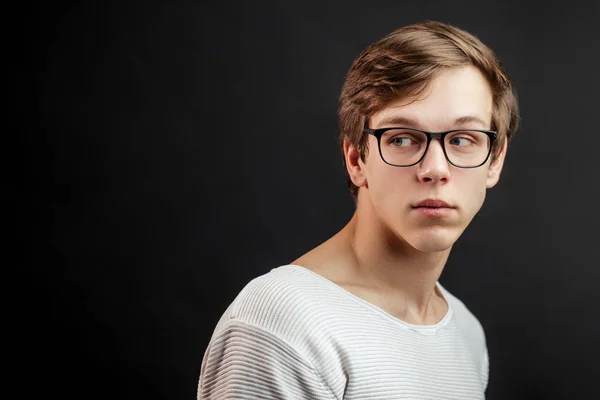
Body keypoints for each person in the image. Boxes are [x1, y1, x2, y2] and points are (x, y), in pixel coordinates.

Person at [198, 20, 519, 399]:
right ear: (356, 159)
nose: (435, 169)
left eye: (463, 139)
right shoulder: (282, 324)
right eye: (401, 138)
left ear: (494, 161)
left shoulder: (465, 331)